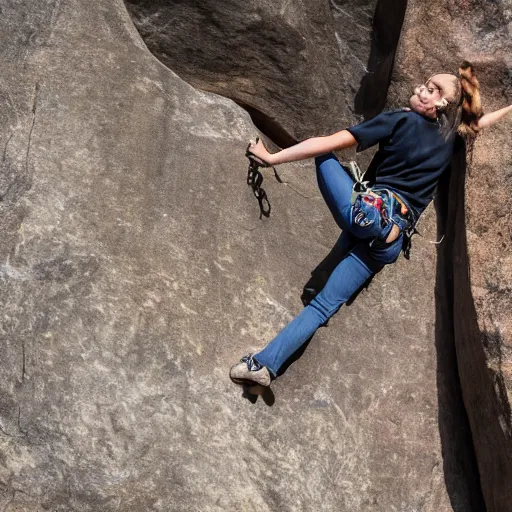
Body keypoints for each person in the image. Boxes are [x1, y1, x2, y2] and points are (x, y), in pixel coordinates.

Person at [230, 62, 512, 387]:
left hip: (370, 213)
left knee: (325, 153)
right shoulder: (451, 140)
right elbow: (480, 123)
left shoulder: (400, 119)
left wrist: (273, 158)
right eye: (426, 83)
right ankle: (263, 367)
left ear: (441, 106)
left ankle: (371, 216)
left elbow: (332, 140)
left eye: (432, 89)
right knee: (322, 306)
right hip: (390, 243)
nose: (422, 87)